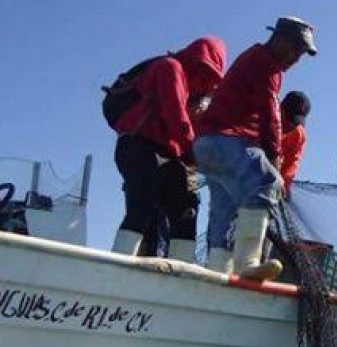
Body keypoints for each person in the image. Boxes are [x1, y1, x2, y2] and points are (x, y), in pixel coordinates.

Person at [193, 17, 317, 279]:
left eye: (302, 54)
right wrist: (273, 158)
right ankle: (248, 263)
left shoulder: (252, 57)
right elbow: (270, 113)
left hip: (207, 145)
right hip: (226, 139)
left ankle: (218, 272)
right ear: (280, 40)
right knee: (267, 182)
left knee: (224, 210)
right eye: (296, 49)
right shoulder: (266, 64)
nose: (296, 59)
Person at [111, 36, 227, 261]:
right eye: (203, 70)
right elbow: (176, 116)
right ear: (194, 59)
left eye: (211, 77)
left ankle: (179, 272)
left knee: (186, 207)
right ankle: (118, 264)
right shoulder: (169, 68)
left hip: (172, 154)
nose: (205, 80)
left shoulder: (198, 96)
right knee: (141, 205)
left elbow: (194, 126)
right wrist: (196, 154)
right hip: (139, 145)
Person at [279, 91, 311, 197]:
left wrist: (284, 184)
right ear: (280, 109)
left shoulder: (299, 135)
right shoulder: (262, 116)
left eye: (296, 122)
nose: (291, 125)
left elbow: (291, 164)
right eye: (289, 119)